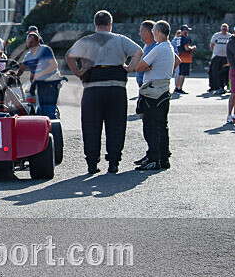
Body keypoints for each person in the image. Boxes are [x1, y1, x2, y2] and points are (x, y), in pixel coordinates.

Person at [65, 10, 143, 174]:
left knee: (91, 126)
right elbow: (138, 52)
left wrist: (79, 72)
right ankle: (114, 162)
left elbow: (69, 56)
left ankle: (92, 163)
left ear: (95, 24)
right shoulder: (120, 39)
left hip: (93, 87)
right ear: (110, 24)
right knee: (116, 125)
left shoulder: (87, 41)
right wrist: (129, 68)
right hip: (116, 87)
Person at [134, 20, 180, 171]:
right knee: (162, 125)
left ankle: (154, 158)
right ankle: (163, 157)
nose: (153, 33)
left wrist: (149, 67)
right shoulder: (169, 47)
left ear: (159, 32)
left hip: (153, 91)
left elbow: (139, 67)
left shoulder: (159, 48)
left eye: (154, 31)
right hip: (164, 89)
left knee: (151, 125)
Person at [17, 31, 63, 117]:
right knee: (41, 109)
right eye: (28, 43)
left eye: (31, 42)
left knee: (48, 110)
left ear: (38, 41)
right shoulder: (28, 56)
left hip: (51, 83)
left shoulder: (45, 50)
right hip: (41, 85)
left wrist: (39, 74)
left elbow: (54, 65)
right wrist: (12, 75)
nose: (29, 45)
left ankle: (53, 127)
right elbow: (21, 70)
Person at [209, 24, 231, 93]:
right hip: (217, 56)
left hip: (225, 57)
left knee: (224, 72)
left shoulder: (229, 36)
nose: (224, 31)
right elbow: (212, 45)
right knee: (214, 71)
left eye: (225, 29)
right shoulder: (216, 35)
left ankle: (223, 86)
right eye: (223, 29)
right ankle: (213, 86)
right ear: (221, 29)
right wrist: (215, 52)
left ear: (227, 29)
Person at [174, 25, 196, 94]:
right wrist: (192, 48)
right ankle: (179, 88)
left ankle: (177, 87)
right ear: (184, 30)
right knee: (183, 74)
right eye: (187, 30)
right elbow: (187, 48)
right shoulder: (184, 38)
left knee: (180, 73)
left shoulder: (178, 38)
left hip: (180, 57)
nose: (188, 32)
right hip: (185, 58)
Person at [136, 20, 156, 88]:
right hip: (143, 85)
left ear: (147, 32)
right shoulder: (146, 45)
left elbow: (176, 60)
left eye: (141, 31)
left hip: (150, 86)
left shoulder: (157, 47)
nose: (139, 34)